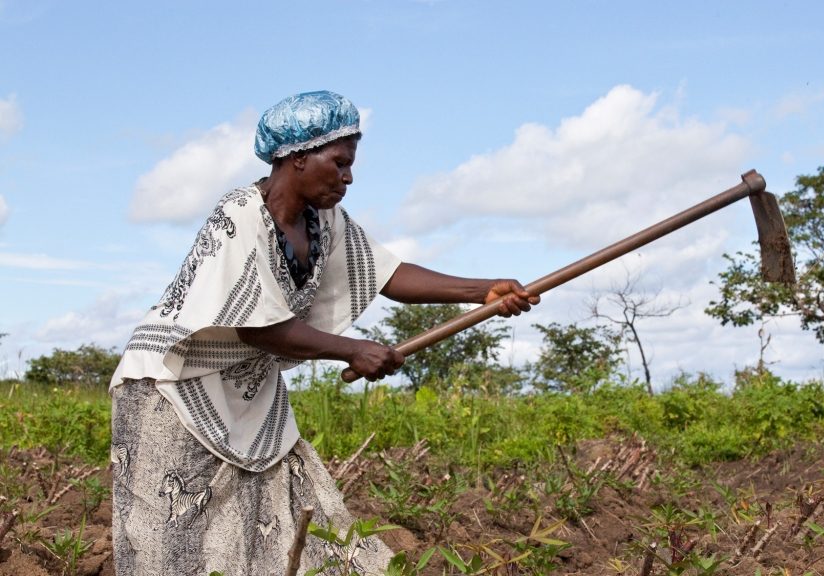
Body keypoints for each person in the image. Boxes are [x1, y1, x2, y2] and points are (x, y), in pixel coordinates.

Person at [108, 90, 539, 575]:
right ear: (298, 156)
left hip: (245, 389)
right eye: (339, 163)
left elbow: (388, 274)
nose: (348, 177)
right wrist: (353, 350)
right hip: (169, 387)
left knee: (273, 516)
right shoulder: (239, 215)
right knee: (173, 537)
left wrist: (483, 291)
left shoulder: (324, 222)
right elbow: (259, 329)